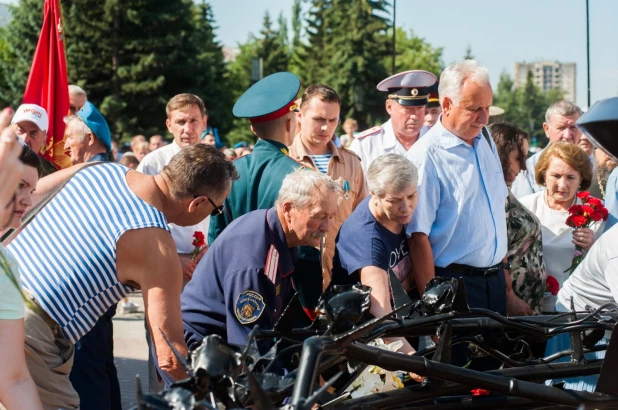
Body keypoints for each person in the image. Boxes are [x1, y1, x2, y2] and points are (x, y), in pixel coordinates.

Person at [6, 144, 238, 409]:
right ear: (197, 203)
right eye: (217, 209)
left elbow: (24, 197)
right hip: (33, 330)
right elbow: (169, 357)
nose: (213, 214)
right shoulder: (158, 245)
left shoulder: (100, 169)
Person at [183, 169, 340, 353]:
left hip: (223, 341)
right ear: (288, 209)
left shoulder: (281, 234)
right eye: (320, 216)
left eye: (330, 217)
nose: (326, 227)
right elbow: (249, 345)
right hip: (203, 349)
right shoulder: (256, 259)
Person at [406, 60, 510, 316]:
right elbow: (418, 237)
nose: (485, 118)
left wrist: (507, 288)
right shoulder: (426, 156)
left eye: (487, 107)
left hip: (494, 284)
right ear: (447, 104)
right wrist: (435, 308)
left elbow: (497, 214)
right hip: (455, 288)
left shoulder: (484, 140)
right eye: (475, 109)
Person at [332, 154, 419, 354]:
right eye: (395, 200)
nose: (406, 207)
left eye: (412, 195)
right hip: (366, 340)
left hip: (403, 318)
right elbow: (380, 313)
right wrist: (412, 358)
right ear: (373, 193)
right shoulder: (366, 238)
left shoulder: (399, 211)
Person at [208, 72, 302, 244]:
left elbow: (216, 237)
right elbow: (305, 246)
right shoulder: (300, 175)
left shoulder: (227, 172)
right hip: (286, 270)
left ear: (252, 129)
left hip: (233, 268)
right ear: (290, 123)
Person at [288, 84, 367, 288]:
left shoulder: (352, 163)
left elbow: (362, 222)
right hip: (294, 281)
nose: (326, 128)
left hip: (341, 279)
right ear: (300, 117)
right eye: (318, 119)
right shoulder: (284, 160)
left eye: (333, 120)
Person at [138, 94, 210, 282]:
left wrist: (213, 248)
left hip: (206, 262)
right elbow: (138, 219)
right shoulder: (152, 164)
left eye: (193, 120)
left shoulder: (215, 163)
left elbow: (224, 214)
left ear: (204, 122)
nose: (187, 129)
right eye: (180, 122)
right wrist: (173, 258)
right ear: (169, 125)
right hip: (164, 264)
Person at [0, 116, 44, 410]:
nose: (27, 201)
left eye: (32, 189)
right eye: (20, 185)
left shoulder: (8, 266)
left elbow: (13, 378)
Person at [519, 142, 604, 287]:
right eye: (556, 176)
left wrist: (593, 246)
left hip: (578, 302)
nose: (562, 185)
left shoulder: (595, 212)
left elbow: (608, 262)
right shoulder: (525, 208)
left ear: (581, 179)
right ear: (543, 174)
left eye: (570, 177)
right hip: (533, 302)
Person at [489, 122, 546, 315]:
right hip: (510, 309)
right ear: (500, 155)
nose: (523, 166)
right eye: (519, 157)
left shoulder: (503, 192)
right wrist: (508, 295)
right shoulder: (493, 196)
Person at [349, 70, 437, 175]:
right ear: (389, 107)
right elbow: (350, 189)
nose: (415, 115)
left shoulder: (437, 141)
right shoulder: (366, 145)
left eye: (420, 108)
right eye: (408, 109)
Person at [511, 101, 583, 198]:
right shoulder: (529, 168)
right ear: (547, 129)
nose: (567, 135)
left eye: (573, 128)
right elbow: (522, 208)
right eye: (561, 128)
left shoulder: (591, 165)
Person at [11, 104, 56, 176]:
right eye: (20, 130)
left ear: (44, 141)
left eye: (33, 134)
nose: (25, 139)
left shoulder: (51, 175)